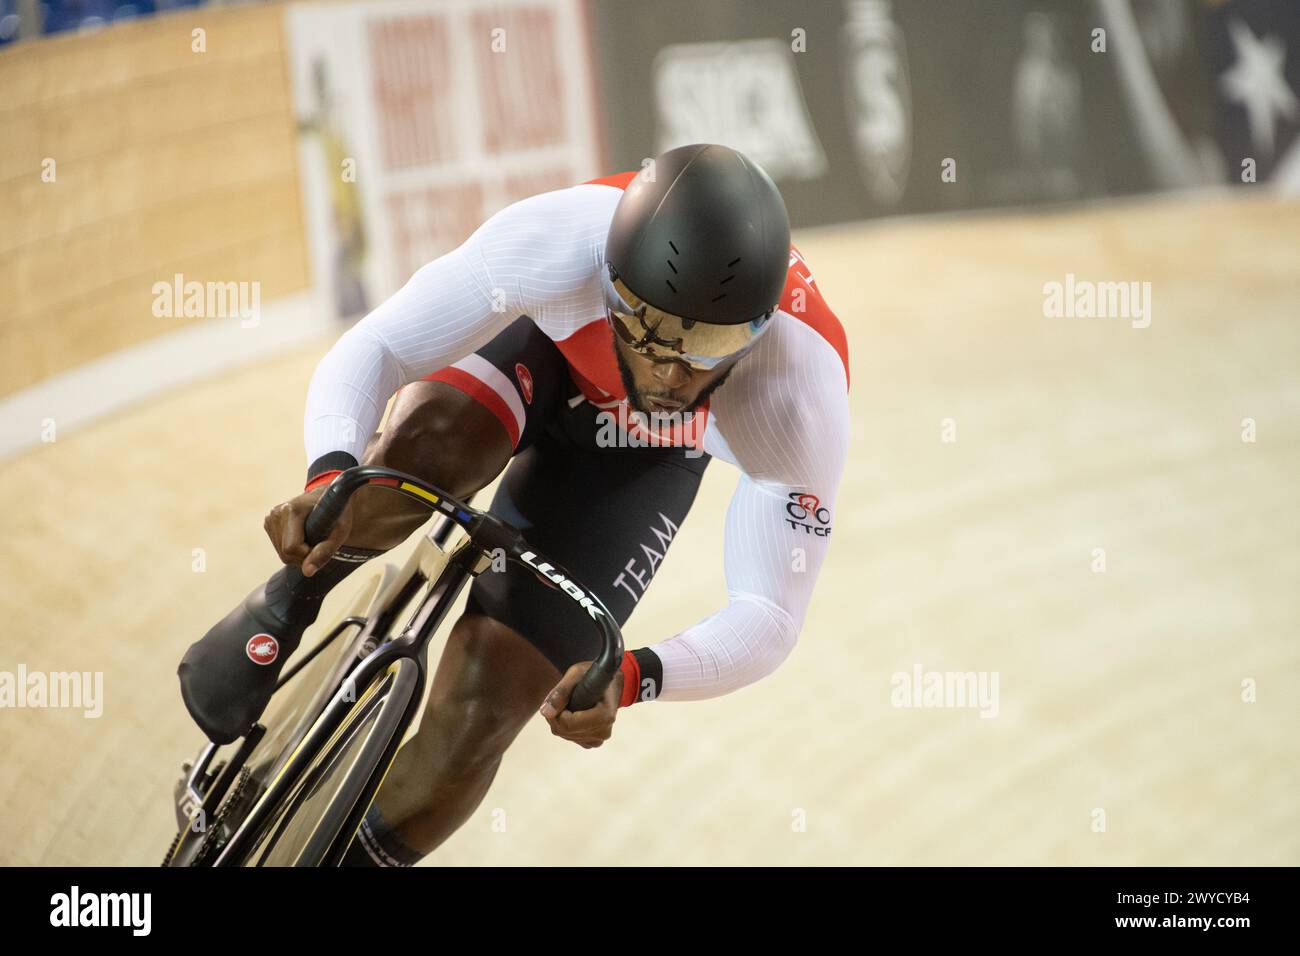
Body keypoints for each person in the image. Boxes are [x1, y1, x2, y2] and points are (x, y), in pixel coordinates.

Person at [177, 143, 850, 866]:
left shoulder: (800, 389)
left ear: (758, 332)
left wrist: (635, 676)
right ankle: (297, 591)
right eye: (650, 330)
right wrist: (328, 477)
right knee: (417, 459)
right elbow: (379, 348)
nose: (667, 369)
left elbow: (771, 613)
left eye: (705, 346)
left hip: (644, 459)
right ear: (610, 280)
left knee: (480, 718)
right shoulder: (556, 242)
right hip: (544, 353)